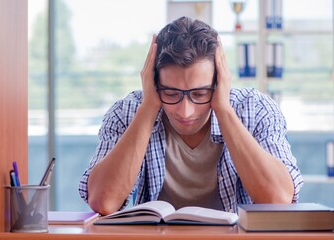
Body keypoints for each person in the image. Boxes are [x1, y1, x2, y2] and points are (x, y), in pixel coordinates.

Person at [79, 16, 303, 215]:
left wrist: (223, 110)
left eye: (200, 93)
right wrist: (148, 108)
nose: (185, 111)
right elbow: (104, 202)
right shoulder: (126, 112)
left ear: (219, 82)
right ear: (153, 83)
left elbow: (278, 200)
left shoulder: (257, 110)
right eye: (170, 93)